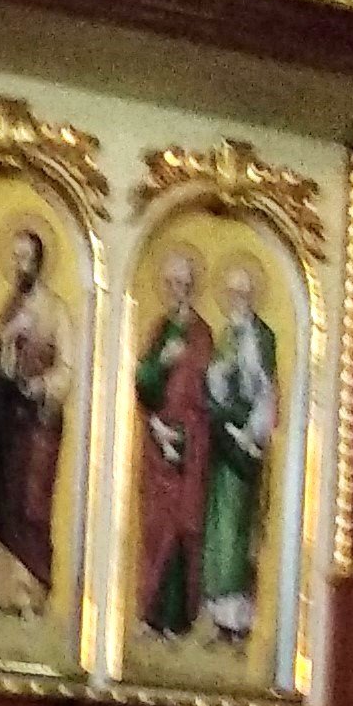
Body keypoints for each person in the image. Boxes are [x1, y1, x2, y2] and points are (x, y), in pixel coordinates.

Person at [0, 228, 71, 616]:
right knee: (4, 503)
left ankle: (31, 594)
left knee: (33, 503)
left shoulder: (55, 310)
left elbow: (67, 367)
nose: (20, 266)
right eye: (15, 258)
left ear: (39, 263)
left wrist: (42, 385)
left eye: (27, 259)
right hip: (10, 420)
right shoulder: (10, 307)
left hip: (39, 422)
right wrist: (5, 339)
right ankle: (0, 593)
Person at [132, 252, 215, 639]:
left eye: (183, 284)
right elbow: (143, 384)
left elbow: (206, 392)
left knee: (183, 525)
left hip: (189, 443)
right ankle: (151, 613)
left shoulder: (201, 335)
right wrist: (161, 363)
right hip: (157, 441)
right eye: (171, 284)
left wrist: (183, 432)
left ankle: (177, 618)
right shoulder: (160, 330)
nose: (177, 291)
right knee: (155, 525)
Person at [201, 258, 279, 651]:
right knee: (219, 531)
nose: (235, 299)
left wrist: (250, 433)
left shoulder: (261, 336)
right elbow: (216, 381)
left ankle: (239, 621)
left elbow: (266, 391)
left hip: (245, 445)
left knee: (238, 530)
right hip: (223, 442)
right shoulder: (227, 333)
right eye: (230, 293)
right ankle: (220, 619)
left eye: (241, 293)